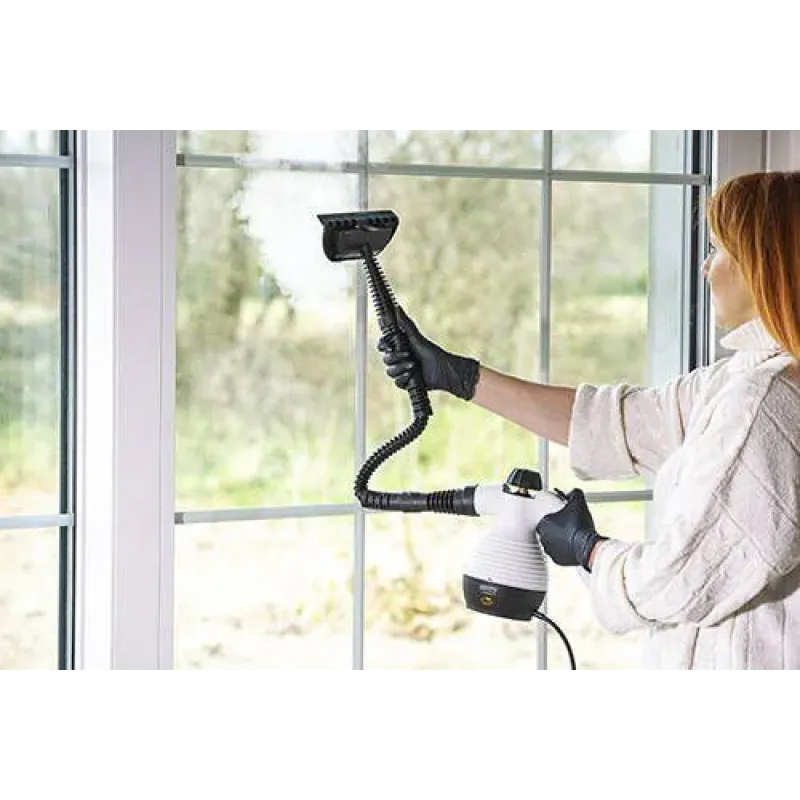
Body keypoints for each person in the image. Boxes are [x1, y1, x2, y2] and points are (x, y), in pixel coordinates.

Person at [378, 171, 800, 671]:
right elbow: (622, 423)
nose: (706, 267)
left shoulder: (765, 401)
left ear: (765, 264)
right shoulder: (747, 378)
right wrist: (460, 377)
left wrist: (588, 550)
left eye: (719, 249)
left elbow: (681, 578)